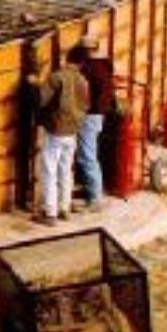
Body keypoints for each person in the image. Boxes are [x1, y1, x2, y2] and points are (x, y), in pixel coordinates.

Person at [31, 55, 90, 224]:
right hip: (72, 131)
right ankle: (64, 208)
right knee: (65, 170)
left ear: (64, 60)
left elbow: (41, 100)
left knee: (49, 171)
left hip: (56, 130)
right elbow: (85, 106)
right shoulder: (82, 80)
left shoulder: (56, 77)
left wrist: (35, 83)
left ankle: (50, 213)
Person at [68, 36, 116, 212]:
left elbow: (86, 94)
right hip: (97, 115)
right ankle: (90, 190)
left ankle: (95, 198)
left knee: (87, 155)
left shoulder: (90, 69)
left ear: (86, 50)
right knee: (87, 153)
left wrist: (83, 108)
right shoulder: (104, 65)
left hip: (90, 116)